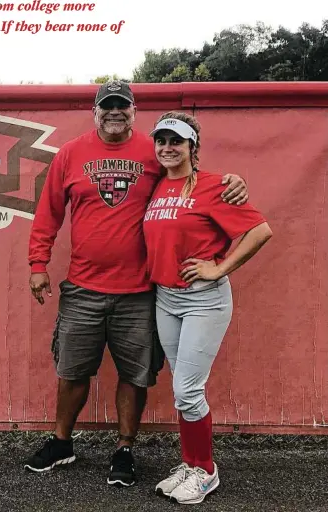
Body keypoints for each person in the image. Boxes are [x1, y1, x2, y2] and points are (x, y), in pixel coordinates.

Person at [23, 80, 249, 487]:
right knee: (72, 370)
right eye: (107, 106)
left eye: (122, 106)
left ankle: (124, 448)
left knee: (135, 374)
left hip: (141, 290)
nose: (114, 112)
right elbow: (49, 212)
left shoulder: (154, 148)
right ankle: (61, 443)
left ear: (133, 110)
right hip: (83, 287)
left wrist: (232, 181)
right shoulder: (72, 153)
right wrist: (38, 263)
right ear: (95, 112)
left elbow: (190, 177)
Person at [143, 111, 272, 504]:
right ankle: (190, 462)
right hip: (166, 298)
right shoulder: (156, 186)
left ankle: (206, 471)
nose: (168, 148)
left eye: (176, 141)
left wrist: (219, 267)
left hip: (203, 299)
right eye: (161, 141)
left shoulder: (214, 186)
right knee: (183, 391)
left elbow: (260, 230)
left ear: (192, 147)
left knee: (187, 388)